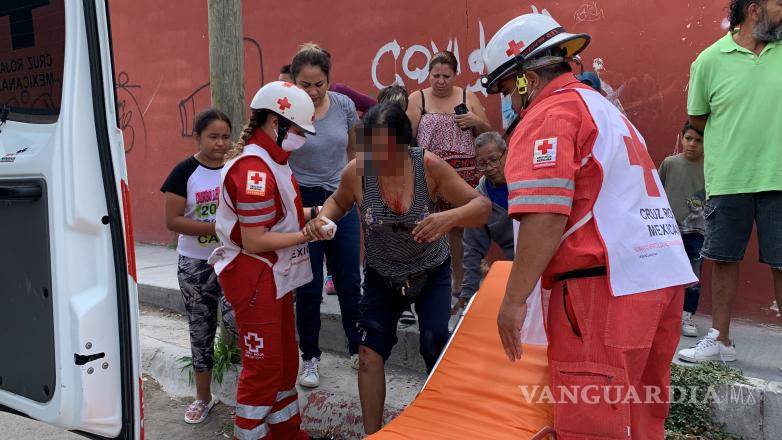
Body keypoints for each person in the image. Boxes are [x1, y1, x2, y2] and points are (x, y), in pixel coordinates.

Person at [485, 13, 696, 438]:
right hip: (658, 280)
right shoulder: (602, 109)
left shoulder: (549, 115)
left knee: (592, 423)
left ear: (525, 79)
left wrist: (513, 301)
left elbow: (546, 214)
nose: (509, 101)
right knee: (640, 420)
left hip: (602, 291)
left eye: (508, 89)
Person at [305, 102, 491, 434]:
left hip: (430, 271)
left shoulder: (429, 168)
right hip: (381, 275)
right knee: (368, 354)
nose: (378, 159)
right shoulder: (358, 172)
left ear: (406, 144)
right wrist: (323, 219)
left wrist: (448, 217)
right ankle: (373, 433)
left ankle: (444, 427)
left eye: (387, 150)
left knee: (434, 341)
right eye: (372, 149)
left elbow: (482, 207)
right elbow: (337, 202)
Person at [209, 81, 324, 440]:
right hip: (255, 275)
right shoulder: (255, 170)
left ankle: (288, 431)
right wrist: (308, 234)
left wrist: (314, 214)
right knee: (264, 369)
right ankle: (251, 433)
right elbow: (256, 239)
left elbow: (279, 217)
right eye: (299, 131)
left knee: (286, 360)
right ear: (276, 123)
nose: (302, 138)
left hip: (273, 275)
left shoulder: (273, 162)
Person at [678, 0, 782, 365]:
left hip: (779, 177)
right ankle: (720, 340)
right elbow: (698, 118)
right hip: (729, 178)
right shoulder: (710, 59)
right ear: (755, 10)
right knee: (721, 257)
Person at [288, 43, 363, 387]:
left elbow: (352, 150)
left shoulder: (344, 106)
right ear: (293, 83)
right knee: (308, 284)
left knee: (348, 278)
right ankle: (310, 358)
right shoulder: (285, 111)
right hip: (301, 201)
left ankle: (355, 348)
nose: (314, 91)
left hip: (341, 198)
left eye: (319, 83)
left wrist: (355, 190)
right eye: (306, 84)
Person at [160, 108, 238, 424]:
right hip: (196, 264)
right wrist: (217, 228)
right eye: (213, 136)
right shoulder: (184, 172)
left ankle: (253, 396)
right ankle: (203, 398)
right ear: (198, 137)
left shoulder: (236, 168)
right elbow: (172, 220)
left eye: (225, 136)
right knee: (200, 330)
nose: (220, 143)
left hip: (234, 261)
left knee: (240, 323)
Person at [406, 50, 492, 303]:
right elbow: (406, 134)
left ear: (455, 75)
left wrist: (476, 120)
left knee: (460, 228)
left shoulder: (468, 96)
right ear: (428, 75)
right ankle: (425, 280)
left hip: (464, 173)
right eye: (436, 75)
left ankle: (460, 281)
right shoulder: (417, 98)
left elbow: (488, 133)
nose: (441, 81)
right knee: (427, 225)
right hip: (429, 172)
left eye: (446, 75)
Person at [454, 132, 515, 314]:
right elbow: (472, 249)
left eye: (494, 160)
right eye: (482, 163)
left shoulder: (526, 181)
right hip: (515, 267)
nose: (489, 168)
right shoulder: (480, 199)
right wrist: (468, 294)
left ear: (507, 154)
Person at [658, 122, 706, 338]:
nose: (692, 144)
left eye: (698, 140)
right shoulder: (669, 164)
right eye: (688, 139)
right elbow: (655, 193)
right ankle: (661, 313)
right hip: (669, 231)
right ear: (681, 138)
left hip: (698, 233)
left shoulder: (710, 168)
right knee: (663, 273)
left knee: (693, 276)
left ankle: (687, 315)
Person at [282, 63, 377, 114]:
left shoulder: (339, 92)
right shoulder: (288, 105)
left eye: (286, 83)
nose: (282, 87)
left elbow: (375, 107)